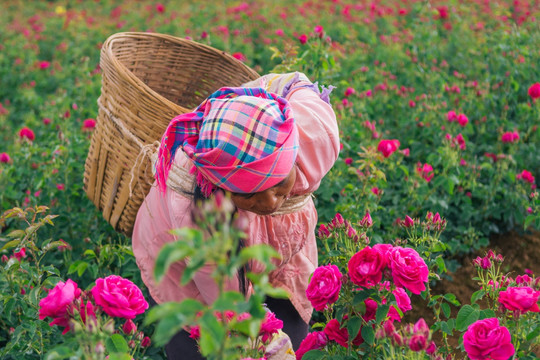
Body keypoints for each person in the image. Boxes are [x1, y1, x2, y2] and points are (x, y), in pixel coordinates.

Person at [132, 72, 340, 359]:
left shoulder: (311, 135)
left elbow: (295, 83)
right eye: (250, 194)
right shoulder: (198, 208)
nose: (269, 203)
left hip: (281, 254)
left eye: (279, 183)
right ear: (222, 189)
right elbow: (229, 302)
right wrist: (261, 342)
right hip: (191, 274)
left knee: (294, 337)